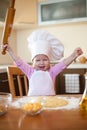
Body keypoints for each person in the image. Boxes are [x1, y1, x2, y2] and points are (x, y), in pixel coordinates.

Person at [1, 29, 83, 96]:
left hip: (50, 102)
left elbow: (64, 63)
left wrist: (74, 55)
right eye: (38, 60)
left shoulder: (52, 71)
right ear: (33, 62)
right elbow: (19, 61)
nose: (41, 63)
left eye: (45, 60)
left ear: (49, 61)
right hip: (32, 102)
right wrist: (10, 50)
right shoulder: (30, 71)